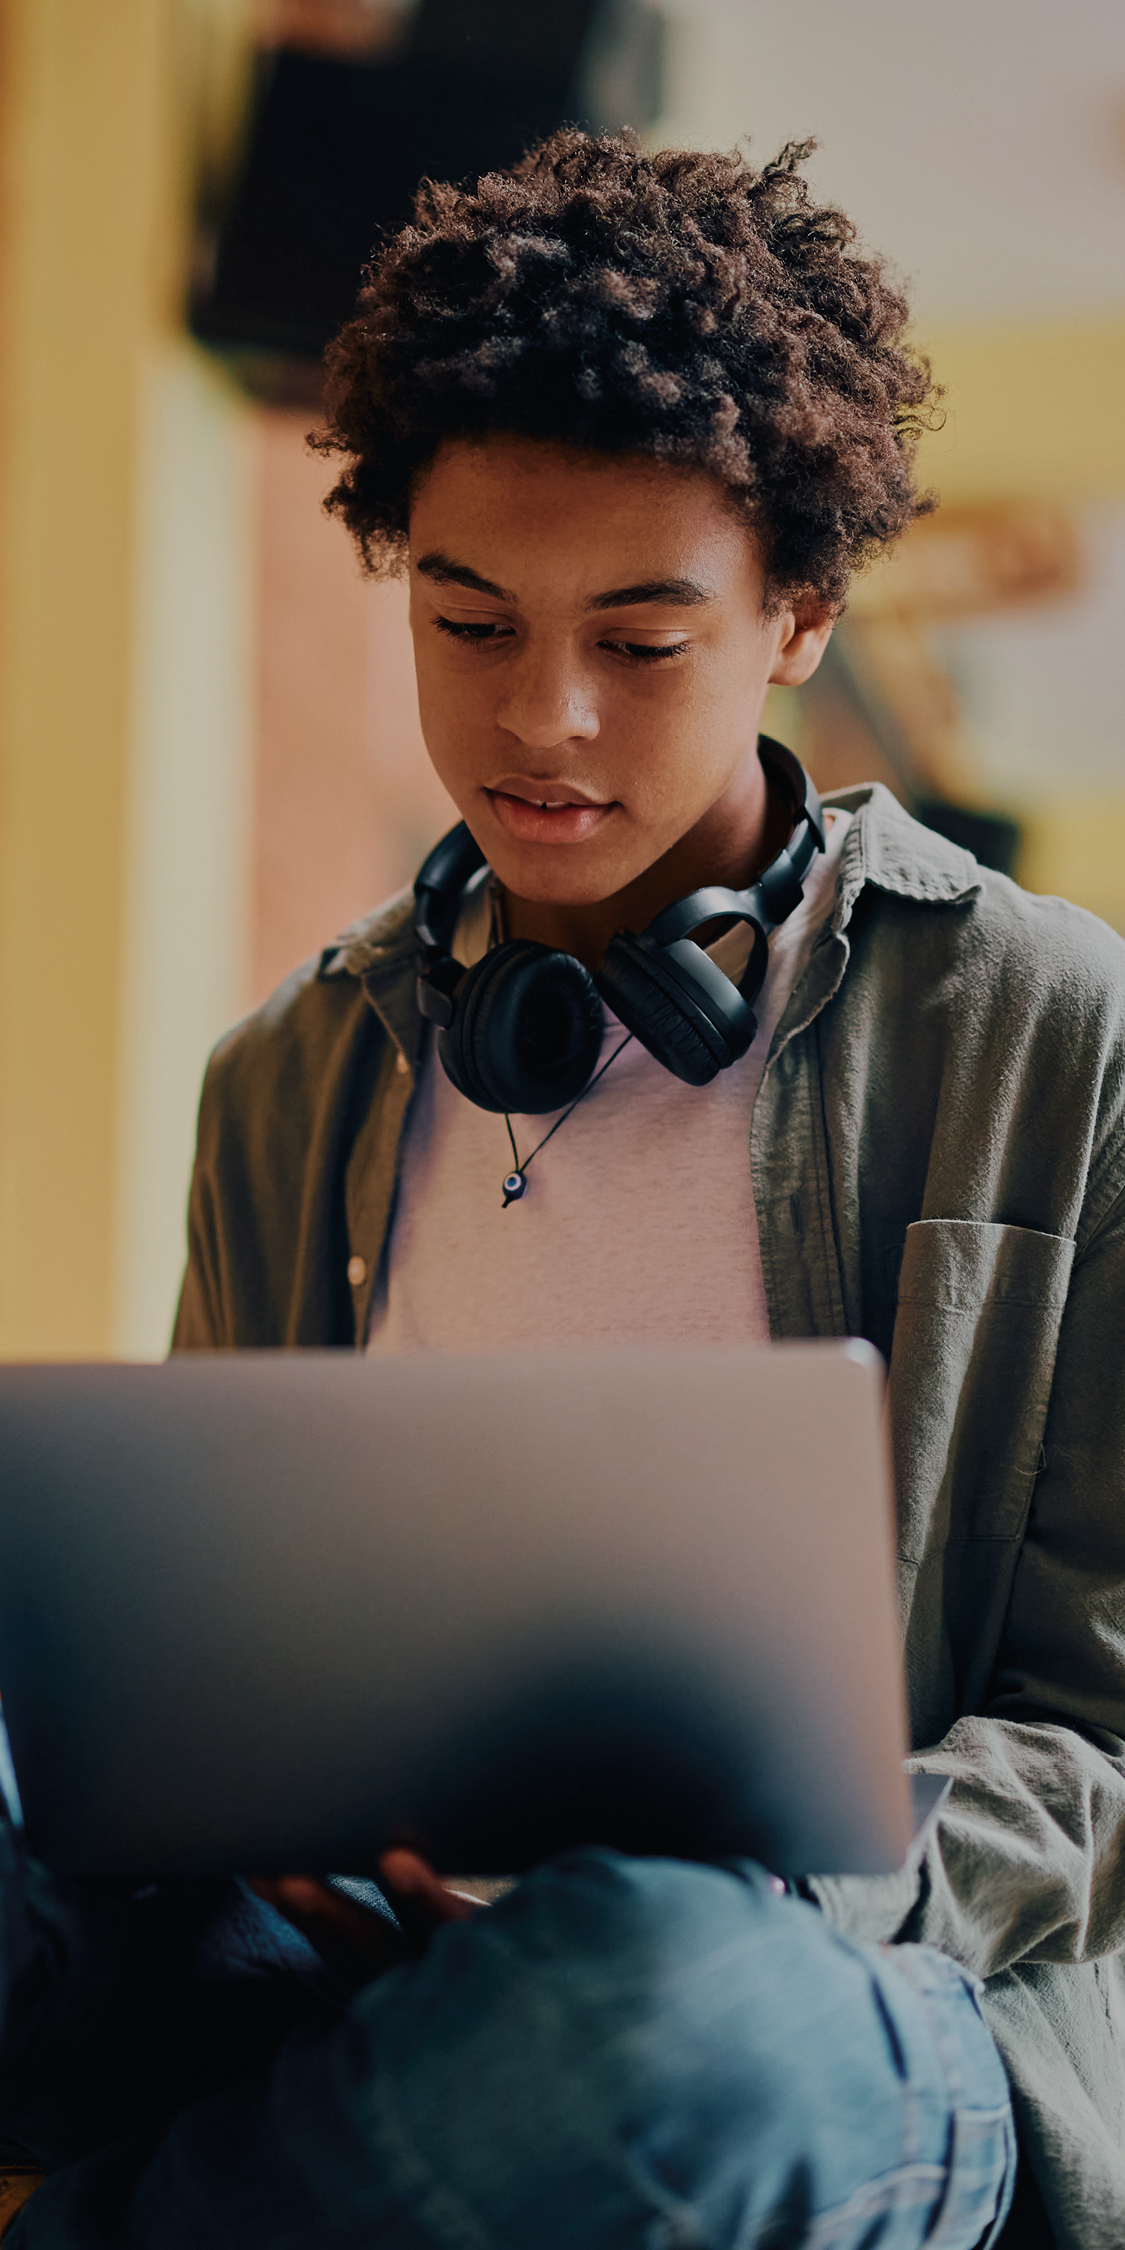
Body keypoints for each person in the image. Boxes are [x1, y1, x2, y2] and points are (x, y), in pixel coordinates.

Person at [2, 128, 1124, 2248]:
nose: (540, 720)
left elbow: (1104, 1739)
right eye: (465, 618)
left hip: (832, 1985)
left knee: (656, 2022)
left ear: (796, 615)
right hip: (351, 1933)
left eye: (640, 638)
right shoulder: (297, 1073)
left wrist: (778, 1863)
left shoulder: (1054, 1032)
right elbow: (205, 1663)